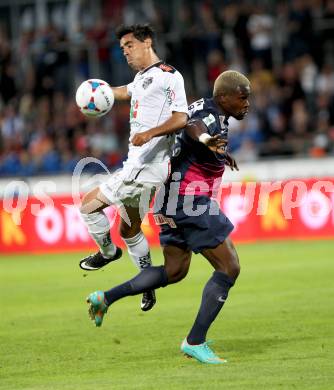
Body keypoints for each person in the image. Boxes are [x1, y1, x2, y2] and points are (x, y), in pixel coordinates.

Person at [86, 70, 251, 364]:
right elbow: (192, 127)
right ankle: (195, 341)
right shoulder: (209, 116)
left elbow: (189, 135)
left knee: (174, 271)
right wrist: (204, 138)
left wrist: (217, 153)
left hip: (167, 201)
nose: (247, 104)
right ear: (224, 97)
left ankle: (105, 298)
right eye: (242, 97)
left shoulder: (208, 109)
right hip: (190, 200)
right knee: (230, 267)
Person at [79, 24, 188, 312]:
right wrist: (97, 91)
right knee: (130, 231)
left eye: (129, 45)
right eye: (122, 48)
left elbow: (181, 118)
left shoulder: (169, 76)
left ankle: (107, 252)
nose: (125, 51)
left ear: (147, 41)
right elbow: (123, 92)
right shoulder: (141, 79)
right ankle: (147, 284)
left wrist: (150, 133)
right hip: (140, 169)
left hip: (145, 168)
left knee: (88, 206)